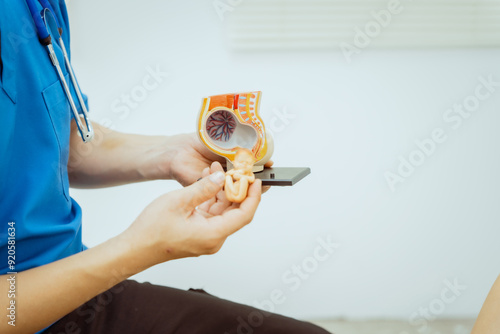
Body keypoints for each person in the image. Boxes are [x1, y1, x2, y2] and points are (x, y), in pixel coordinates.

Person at [0, 1, 331, 333]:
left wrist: (172, 153)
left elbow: (59, 142)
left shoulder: (36, 7)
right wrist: (141, 248)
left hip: (75, 293)